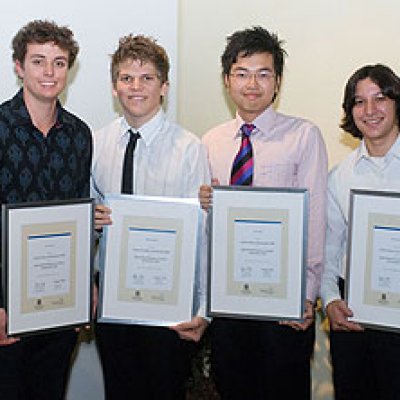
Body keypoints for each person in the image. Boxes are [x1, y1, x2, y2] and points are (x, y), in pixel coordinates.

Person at [199, 26, 328, 399]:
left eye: (263, 73)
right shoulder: (211, 141)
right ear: (227, 81)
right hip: (229, 303)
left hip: (283, 306)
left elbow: (315, 218)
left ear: (278, 81)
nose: (251, 84)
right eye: (241, 73)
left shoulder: (304, 136)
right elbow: (205, 230)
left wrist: (306, 295)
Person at [92, 34, 210, 400]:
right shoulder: (95, 144)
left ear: (164, 87)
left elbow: (203, 234)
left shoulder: (190, 148)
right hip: (111, 304)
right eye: (127, 78)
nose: (136, 87)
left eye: (147, 78)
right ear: (114, 87)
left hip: (169, 307)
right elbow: (84, 226)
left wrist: (204, 310)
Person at [0, 20, 92, 399]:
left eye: (59, 62)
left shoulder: (80, 134)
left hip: (59, 304)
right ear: (19, 66)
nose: (49, 73)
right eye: (38, 61)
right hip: (5, 308)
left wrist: (83, 289)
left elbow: (80, 217)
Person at [320, 64, 400, 399]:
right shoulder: (340, 176)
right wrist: (331, 301)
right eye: (358, 101)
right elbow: (329, 250)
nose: (370, 110)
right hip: (354, 318)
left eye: (379, 98)